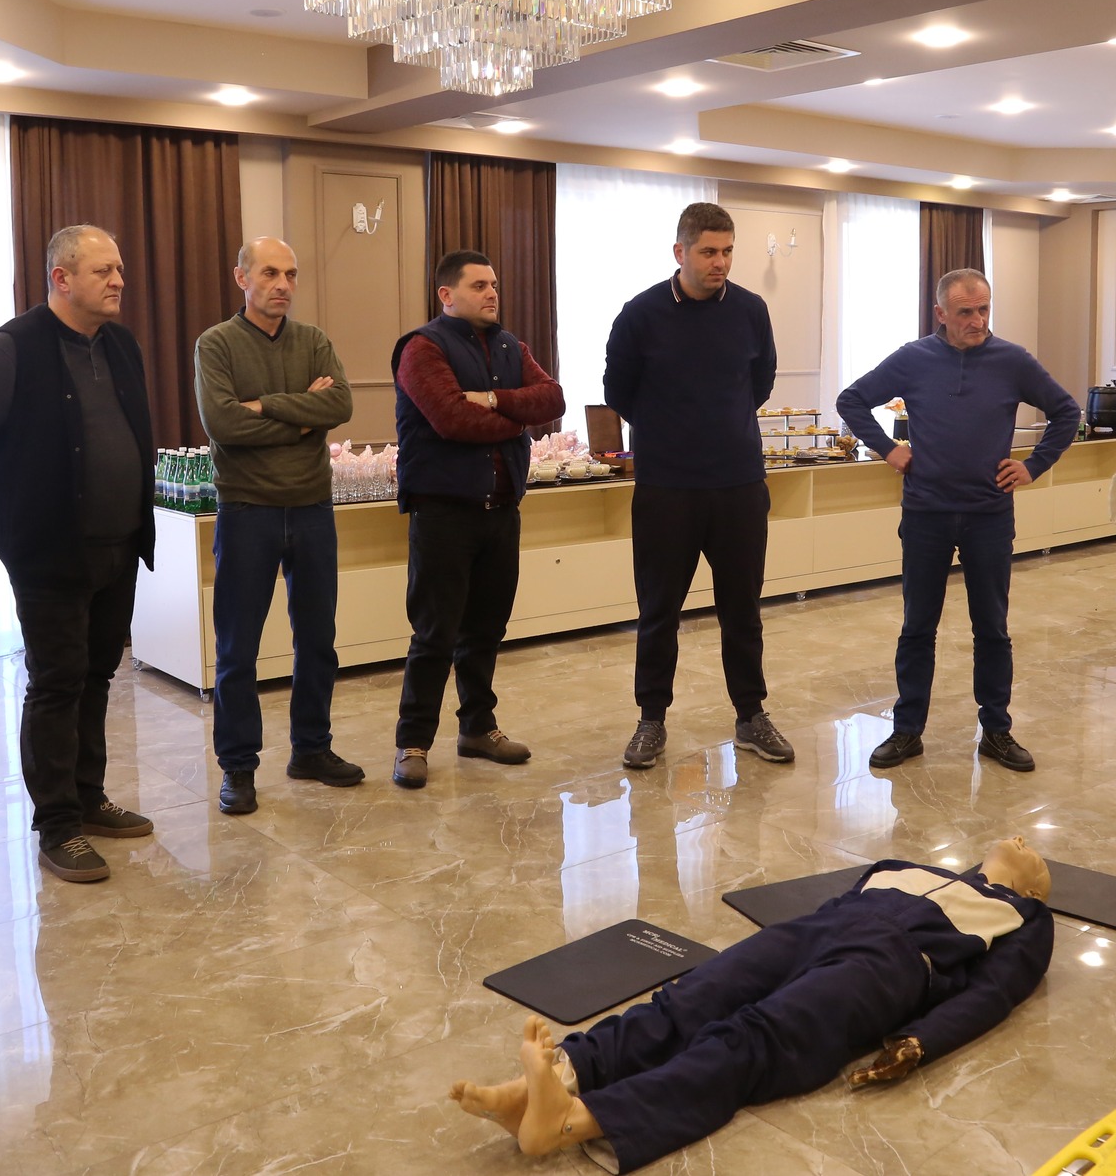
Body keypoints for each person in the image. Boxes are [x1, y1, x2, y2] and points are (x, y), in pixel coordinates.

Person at [452, 837, 1054, 1171]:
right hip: (818, 929)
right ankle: (543, 1085)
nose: (1024, 840)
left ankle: (574, 1121)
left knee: (759, 1037)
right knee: (692, 997)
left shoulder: (1024, 915)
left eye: (1037, 858)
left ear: (1032, 889)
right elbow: (842, 901)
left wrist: (923, 1040)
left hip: (892, 965)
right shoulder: (908, 867)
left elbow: (995, 992)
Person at [0, 225, 156, 884]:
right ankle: (57, 826)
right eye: (103, 271)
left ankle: (88, 797)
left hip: (119, 543)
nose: (118, 281)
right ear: (61, 278)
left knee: (97, 675)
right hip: (47, 551)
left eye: (119, 269)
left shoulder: (121, 344)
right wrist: (10, 505)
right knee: (57, 682)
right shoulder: (8, 350)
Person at [836, 269, 1079, 772]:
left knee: (992, 628)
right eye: (965, 312)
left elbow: (1066, 411)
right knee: (917, 628)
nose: (977, 320)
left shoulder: (1012, 360)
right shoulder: (913, 358)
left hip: (989, 515)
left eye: (984, 309)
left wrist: (1033, 465)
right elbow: (851, 400)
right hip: (926, 514)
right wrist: (888, 448)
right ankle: (907, 731)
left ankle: (997, 731)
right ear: (941, 313)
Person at [602, 202, 791, 771]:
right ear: (680, 252)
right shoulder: (640, 314)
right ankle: (651, 719)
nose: (720, 262)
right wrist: (672, 430)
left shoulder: (751, 310)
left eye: (728, 251)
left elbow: (760, 382)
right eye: (709, 251)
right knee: (659, 610)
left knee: (743, 610)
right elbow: (618, 392)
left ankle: (751, 715)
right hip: (667, 487)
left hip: (738, 484)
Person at [388, 250, 566, 789]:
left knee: (486, 629)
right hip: (443, 512)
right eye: (479, 286)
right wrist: (515, 422)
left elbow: (552, 399)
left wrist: (490, 398)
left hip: (501, 510)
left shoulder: (511, 346)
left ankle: (477, 728)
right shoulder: (422, 348)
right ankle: (413, 743)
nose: (492, 293)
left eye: (494, 284)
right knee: (435, 634)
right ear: (447, 295)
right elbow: (451, 419)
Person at [195, 236, 361, 815]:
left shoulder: (313, 341)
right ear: (242, 278)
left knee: (317, 641)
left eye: (290, 274)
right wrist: (301, 416)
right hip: (247, 511)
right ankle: (238, 767)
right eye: (269, 273)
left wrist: (263, 405)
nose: (283, 285)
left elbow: (339, 406)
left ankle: (311, 749)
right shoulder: (216, 344)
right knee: (238, 649)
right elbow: (224, 424)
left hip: (312, 508)